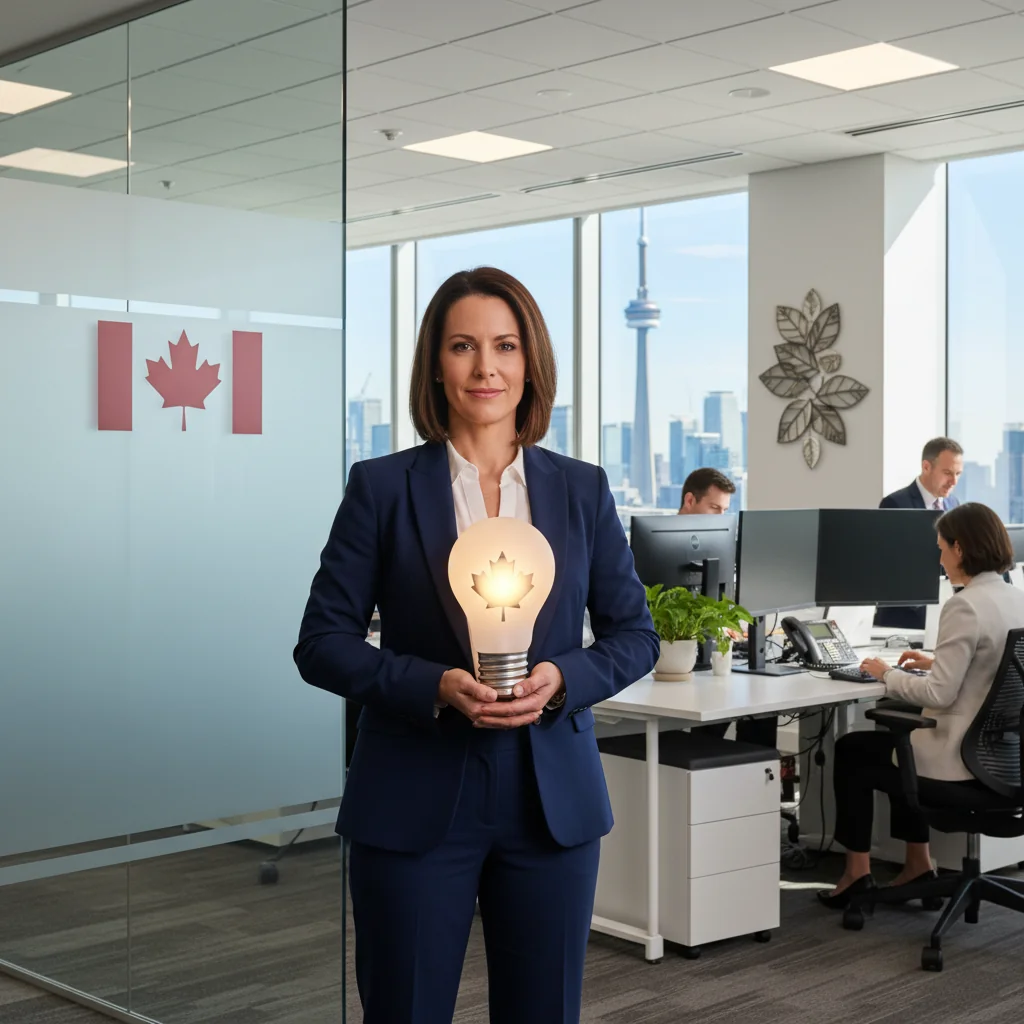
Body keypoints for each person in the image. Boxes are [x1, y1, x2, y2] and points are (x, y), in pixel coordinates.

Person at [294, 267, 659, 1024]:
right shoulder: (383, 487)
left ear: (531, 363)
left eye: (504, 346)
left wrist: (562, 675)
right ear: (436, 362)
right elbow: (322, 643)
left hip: (549, 798)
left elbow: (635, 636)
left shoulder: (582, 491)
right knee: (407, 1009)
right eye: (463, 346)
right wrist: (430, 683)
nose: (485, 367)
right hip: (415, 793)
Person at [818, 503, 1024, 910]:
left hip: (960, 764)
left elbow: (938, 696)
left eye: (942, 548)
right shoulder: (1015, 599)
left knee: (854, 750)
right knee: (895, 737)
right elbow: (998, 665)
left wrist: (884, 674)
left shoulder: (964, 605)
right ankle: (917, 863)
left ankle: (856, 874)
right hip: (1005, 759)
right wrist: (936, 663)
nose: (940, 558)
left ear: (960, 549)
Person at [678, 469, 778, 749]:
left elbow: (726, 603)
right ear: (689, 500)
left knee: (761, 709)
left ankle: (757, 783)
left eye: (725, 510)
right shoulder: (661, 543)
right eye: (714, 508)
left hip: (714, 658)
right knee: (714, 716)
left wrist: (730, 626)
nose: (721, 518)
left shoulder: (719, 547)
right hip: (676, 659)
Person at [875, 438, 964, 630]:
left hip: (945, 610)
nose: (953, 482)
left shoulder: (954, 503)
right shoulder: (895, 504)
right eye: (948, 473)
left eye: (958, 474)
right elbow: (888, 563)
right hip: (904, 617)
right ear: (926, 466)